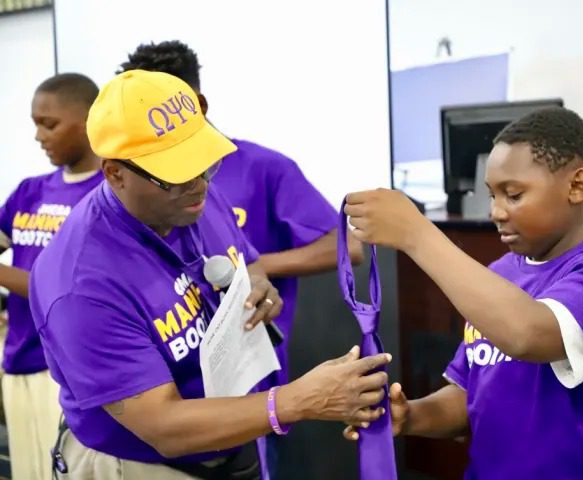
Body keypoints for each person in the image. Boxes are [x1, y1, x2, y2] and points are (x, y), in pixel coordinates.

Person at [29, 70, 390, 480]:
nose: (199, 185)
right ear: (115, 173)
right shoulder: (80, 287)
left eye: (204, 164)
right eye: (176, 173)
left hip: (231, 440)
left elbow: (248, 262)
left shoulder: (193, 197)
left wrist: (257, 283)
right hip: (142, 464)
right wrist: (297, 401)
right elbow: (164, 428)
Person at [343, 107, 583, 478]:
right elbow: (473, 395)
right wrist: (412, 416)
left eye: (513, 195)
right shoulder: (499, 275)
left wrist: (416, 234)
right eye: (491, 195)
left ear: (577, 186)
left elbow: (529, 335)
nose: (496, 212)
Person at [118, 40, 364, 476]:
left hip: (251, 375)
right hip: (168, 395)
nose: (191, 184)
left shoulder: (259, 167)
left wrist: (259, 268)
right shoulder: (134, 184)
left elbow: (350, 247)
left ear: (195, 104)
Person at [0, 72, 103, 480]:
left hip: (68, 370)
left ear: (89, 121)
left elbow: (64, 290)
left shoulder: (107, 195)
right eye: (35, 124)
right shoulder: (30, 191)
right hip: (19, 358)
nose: (39, 136)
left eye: (50, 124)